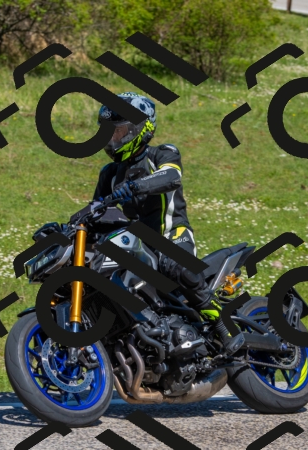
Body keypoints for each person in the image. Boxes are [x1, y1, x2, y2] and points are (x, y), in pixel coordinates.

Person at [92, 92, 245, 355]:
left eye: (118, 132)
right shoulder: (110, 174)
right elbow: (96, 211)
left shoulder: (163, 153)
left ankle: (225, 329)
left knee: (177, 266)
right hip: (140, 246)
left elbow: (171, 177)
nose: (112, 138)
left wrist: (136, 186)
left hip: (172, 235)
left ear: (140, 128)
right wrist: (67, 229)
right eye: (109, 132)